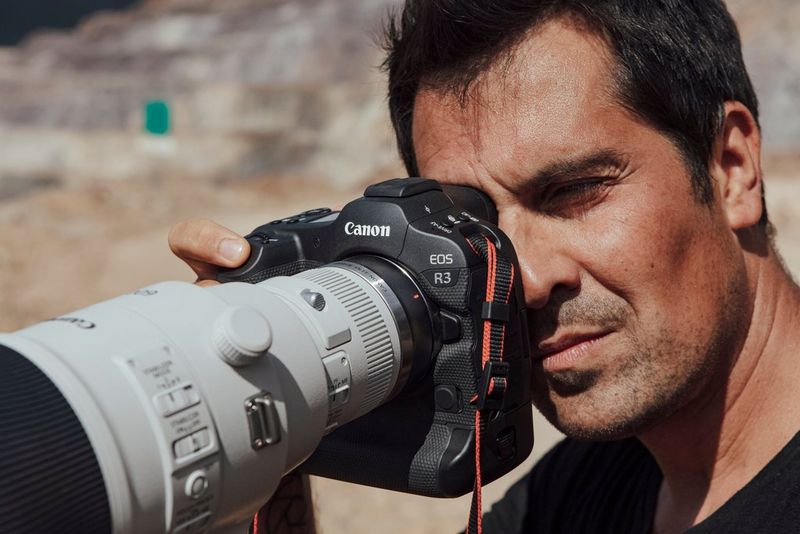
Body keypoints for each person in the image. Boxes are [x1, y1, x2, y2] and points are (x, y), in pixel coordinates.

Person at [169, 1, 800, 532]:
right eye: (474, 228)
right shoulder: (579, 490)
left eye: (573, 191)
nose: (521, 281)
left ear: (731, 168)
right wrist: (273, 405)